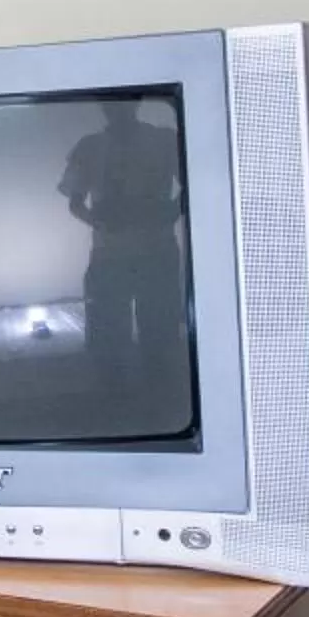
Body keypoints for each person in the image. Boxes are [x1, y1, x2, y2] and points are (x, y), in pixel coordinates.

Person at [57, 100, 188, 427]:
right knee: (106, 331)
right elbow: (74, 202)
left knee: (159, 329)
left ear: (135, 104)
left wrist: (170, 211)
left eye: (122, 104)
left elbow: (192, 183)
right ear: (102, 108)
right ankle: (112, 402)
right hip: (109, 253)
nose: (116, 110)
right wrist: (97, 220)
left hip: (156, 250)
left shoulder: (164, 140)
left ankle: (161, 405)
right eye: (109, 105)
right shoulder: (88, 147)